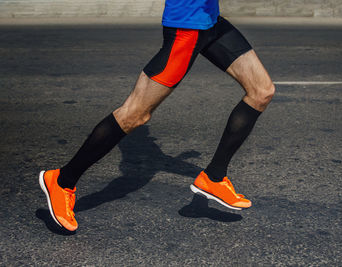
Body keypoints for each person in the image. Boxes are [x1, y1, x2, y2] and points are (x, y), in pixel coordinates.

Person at [39, 0, 275, 231]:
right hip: (186, 29)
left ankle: (214, 177)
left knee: (261, 91)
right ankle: (62, 181)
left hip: (210, 23)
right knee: (134, 115)